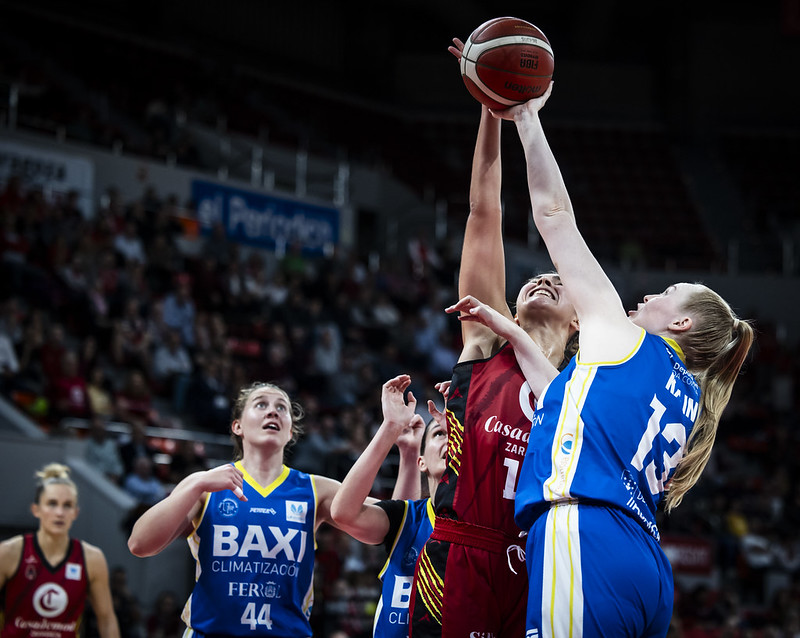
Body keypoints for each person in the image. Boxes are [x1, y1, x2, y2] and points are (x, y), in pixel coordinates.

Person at [488, 82, 755, 637]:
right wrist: (511, 331)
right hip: (644, 564)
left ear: (680, 323)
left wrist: (526, 117)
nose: (647, 297)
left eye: (666, 293)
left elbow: (554, 215)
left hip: (584, 533)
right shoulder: (688, 395)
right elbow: (564, 398)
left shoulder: (626, 340)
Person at [408, 40, 580, 638]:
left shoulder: (579, 389)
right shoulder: (485, 346)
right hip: (460, 553)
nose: (542, 278)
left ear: (580, 321)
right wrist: (490, 106)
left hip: (539, 564)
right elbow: (485, 214)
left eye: (559, 281)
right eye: (537, 275)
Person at [126, 380, 420, 638]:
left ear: (291, 431)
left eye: (282, 408)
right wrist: (194, 485)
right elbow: (140, 543)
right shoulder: (206, 486)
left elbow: (398, 526)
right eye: (261, 404)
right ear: (237, 426)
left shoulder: (314, 489)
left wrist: (408, 456)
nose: (273, 411)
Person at [331, 375, 449, 638]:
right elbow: (343, 512)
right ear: (422, 462)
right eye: (439, 434)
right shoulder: (409, 518)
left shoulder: (487, 521)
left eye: (456, 434)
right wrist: (391, 427)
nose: (448, 441)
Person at [0, 463, 121, 638]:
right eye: (52, 503)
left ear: (75, 512)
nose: (59, 512)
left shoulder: (92, 558)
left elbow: (107, 619)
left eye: (67, 505)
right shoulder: (8, 553)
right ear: (36, 509)